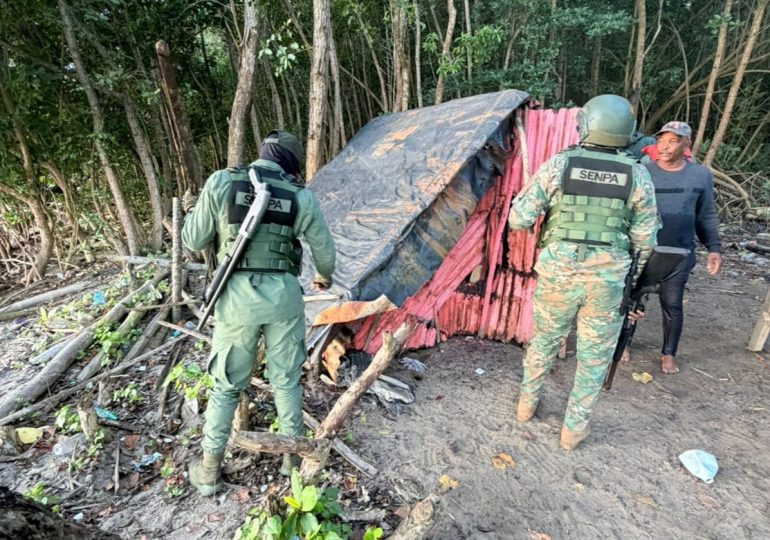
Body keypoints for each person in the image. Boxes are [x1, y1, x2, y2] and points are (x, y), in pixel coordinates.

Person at [182, 130, 336, 496]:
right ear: (291, 166)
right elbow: (325, 252)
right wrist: (322, 277)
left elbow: (192, 240)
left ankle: (208, 471)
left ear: (264, 153)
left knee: (226, 387)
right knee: (286, 380)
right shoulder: (300, 196)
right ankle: (291, 462)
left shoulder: (223, 181)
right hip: (284, 297)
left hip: (235, 298)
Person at [508, 95, 659, 450]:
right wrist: (631, 282)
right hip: (607, 281)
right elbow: (646, 240)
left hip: (559, 274)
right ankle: (573, 430)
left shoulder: (560, 165)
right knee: (594, 357)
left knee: (543, 342)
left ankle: (526, 406)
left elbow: (519, 219)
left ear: (587, 124)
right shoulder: (637, 174)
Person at [625, 121, 721, 374]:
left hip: (679, 252)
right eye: (662, 140)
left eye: (673, 140)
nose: (665, 146)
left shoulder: (700, 175)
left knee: (673, 303)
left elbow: (706, 214)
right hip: (643, 250)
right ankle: (624, 344)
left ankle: (669, 354)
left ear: (686, 144)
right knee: (631, 299)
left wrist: (714, 248)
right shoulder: (643, 171)